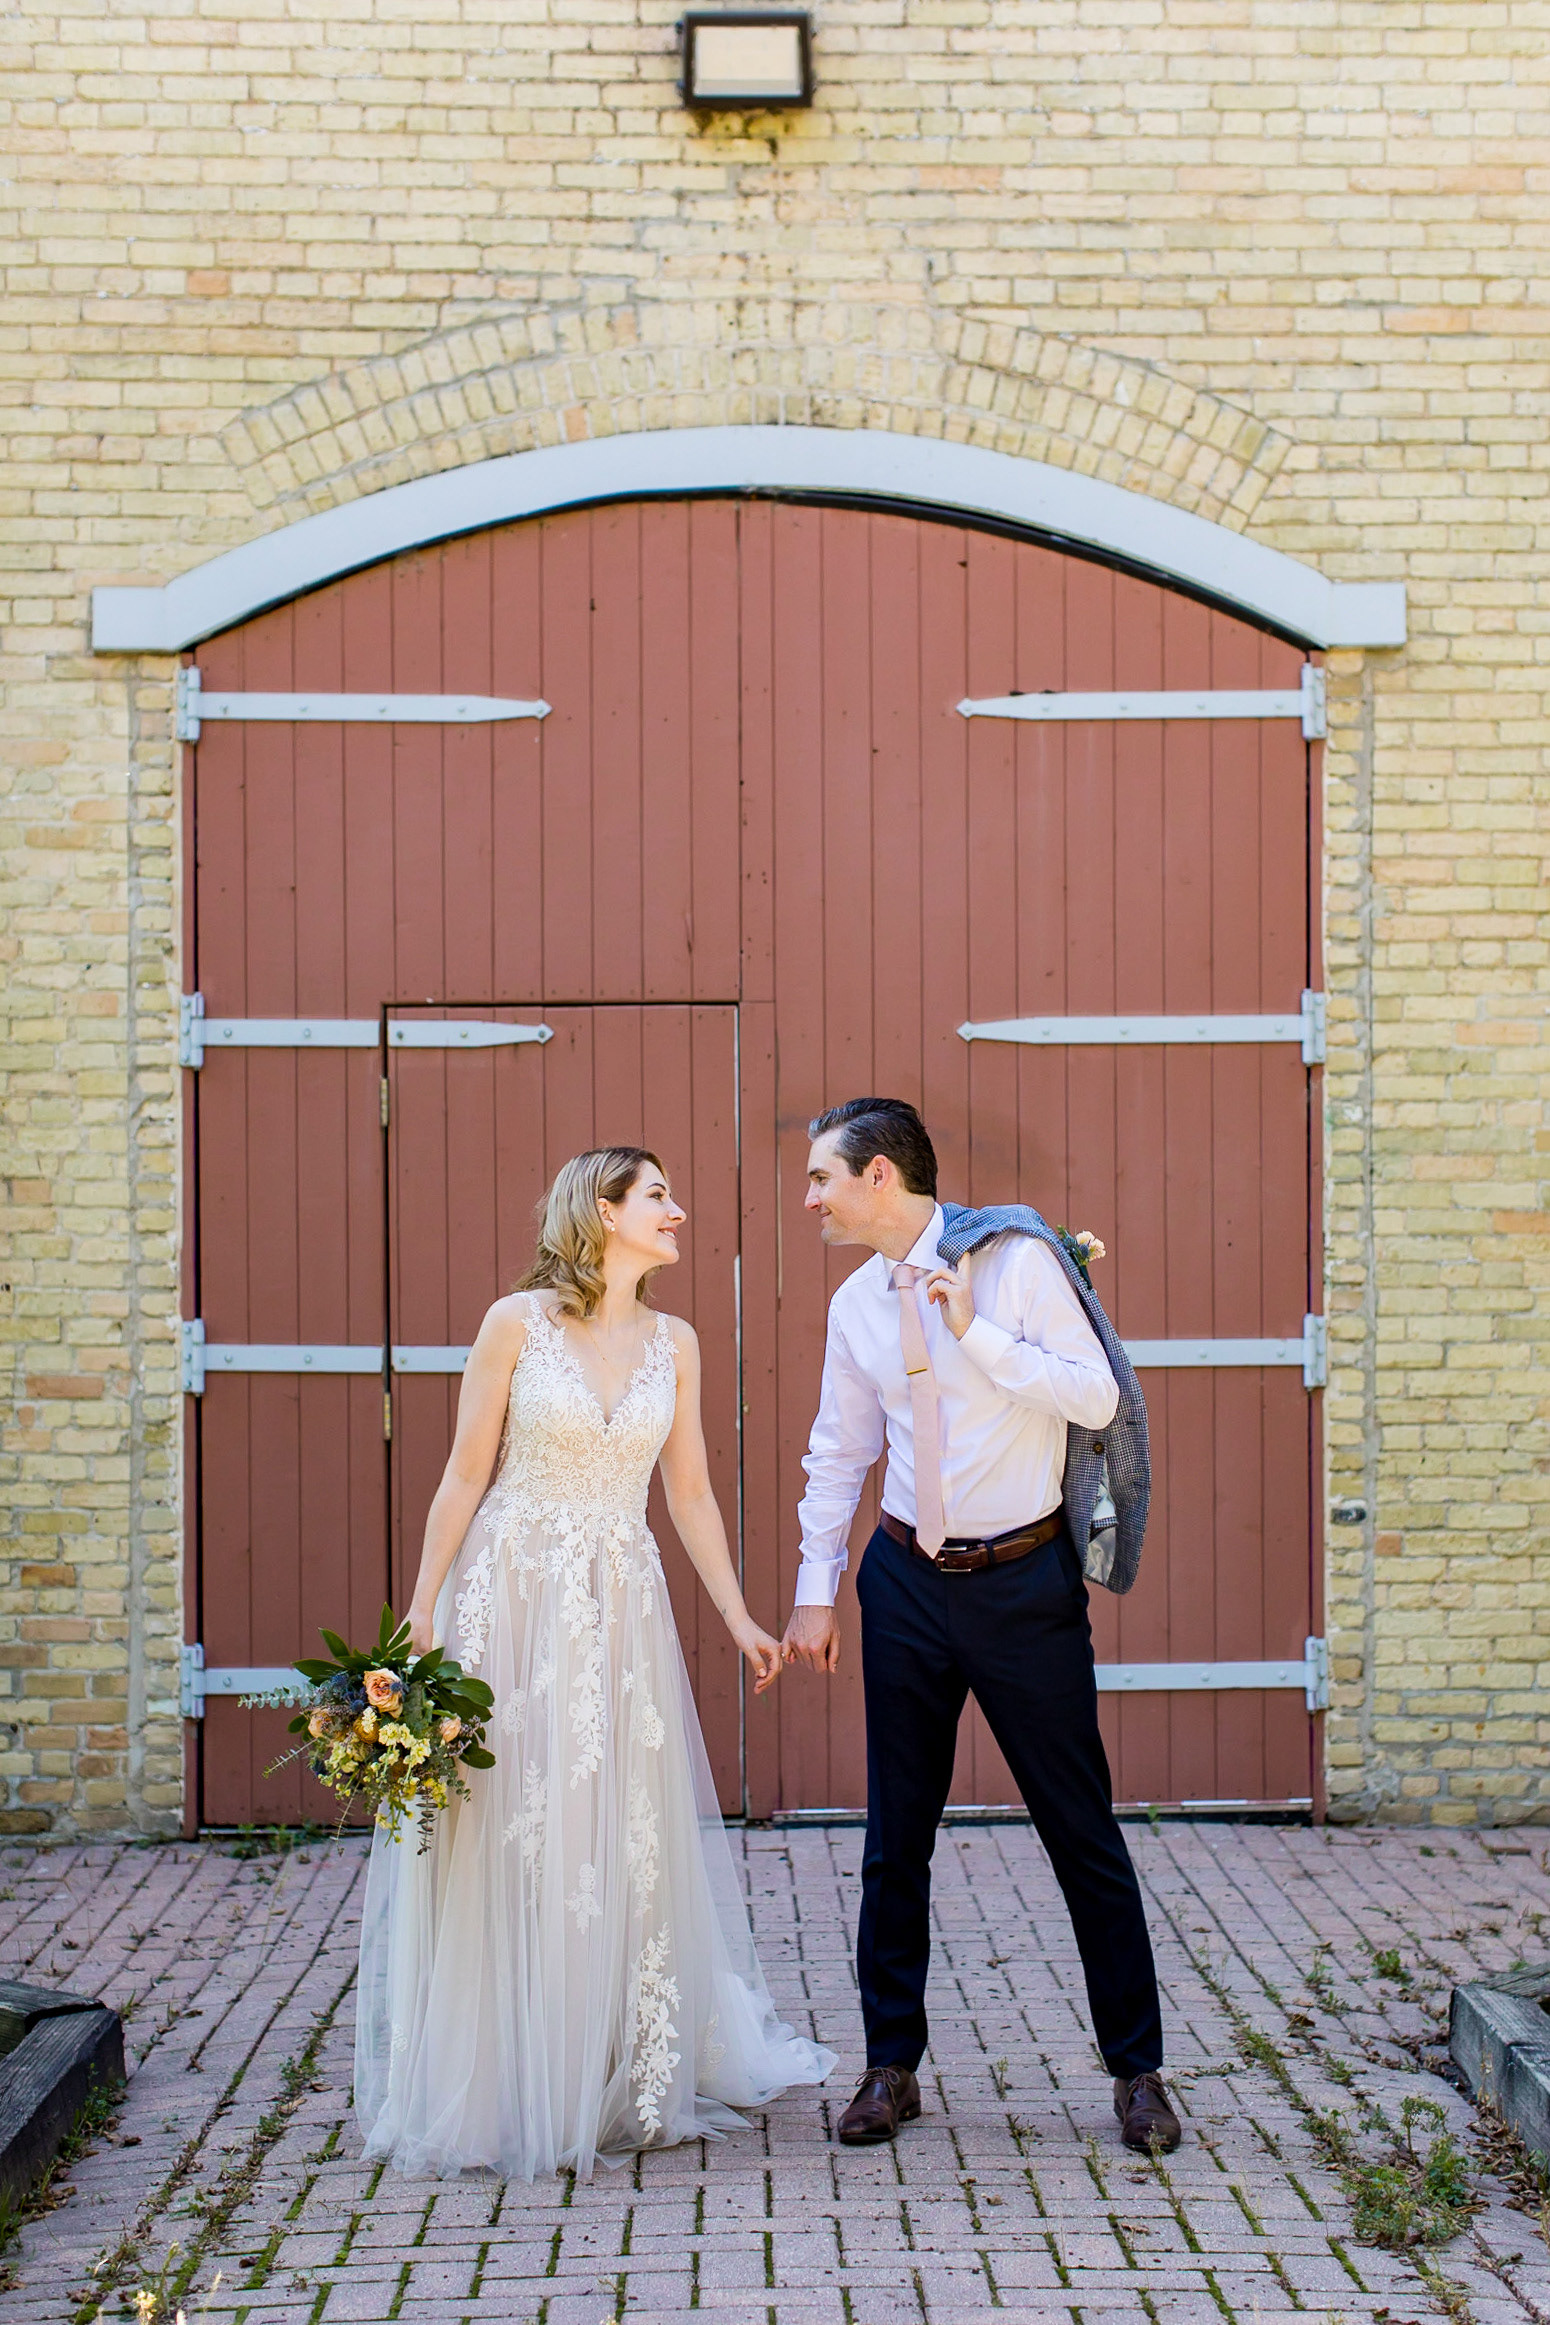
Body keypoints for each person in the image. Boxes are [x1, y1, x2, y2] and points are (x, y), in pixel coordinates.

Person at [356, 1148, 834, 2180]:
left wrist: (740, 1617)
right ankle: (506, 2071)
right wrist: (423, 1603)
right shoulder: (514, 1323)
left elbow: (689, 1492)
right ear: (604, 1212)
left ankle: (616, 2063)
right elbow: (464, 1472)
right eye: (658, 1195)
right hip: (513, 1592)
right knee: (515, 1821)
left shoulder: (677, 1342)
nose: (677, 1211)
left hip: (620, 1601)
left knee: (619, 1822)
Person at [780, 1099, 1180, 2154]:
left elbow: (1098, 1398)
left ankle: (1138, 2071)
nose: (810, 1197)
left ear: (878, 1176)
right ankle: (889, 2066)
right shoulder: (855, 1304)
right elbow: (838, 1450)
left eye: (821, 1177)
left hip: (1021, 1584)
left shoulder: (1015, 1262)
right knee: (894, 1836)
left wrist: (975, 1333)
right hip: (905, 1583)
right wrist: (816, 1589)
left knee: (1079, 1829)